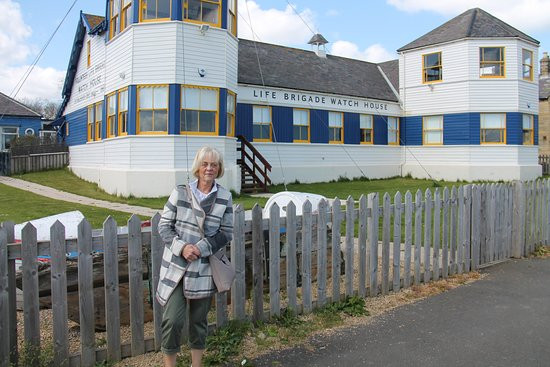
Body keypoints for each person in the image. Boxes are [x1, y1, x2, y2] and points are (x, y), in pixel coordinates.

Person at [157, 146, 233, 367]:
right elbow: (164, 226)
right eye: (205, 164)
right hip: (178, 265)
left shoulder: (225, 197)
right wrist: (182, 248)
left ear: (219, 169)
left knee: (199, 321)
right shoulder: (180, 192)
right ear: (197, 168)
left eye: (214, 164)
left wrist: (200, 247)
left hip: (204, 267)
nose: (209, 168)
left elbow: (226, 233)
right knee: (172, 320)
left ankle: (196, 365)